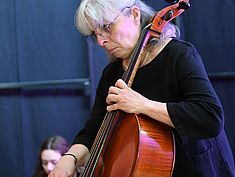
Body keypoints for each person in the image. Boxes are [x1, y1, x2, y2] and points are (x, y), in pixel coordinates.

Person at [49, 0, 235, 176]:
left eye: (106, 27)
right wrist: (70, 157)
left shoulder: (179, 56)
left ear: (135, 14)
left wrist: (142, 104)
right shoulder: (111, 74)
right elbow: (93, 131)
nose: (100, 41)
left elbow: (210, 117)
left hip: (197, 168)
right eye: (95, 33)